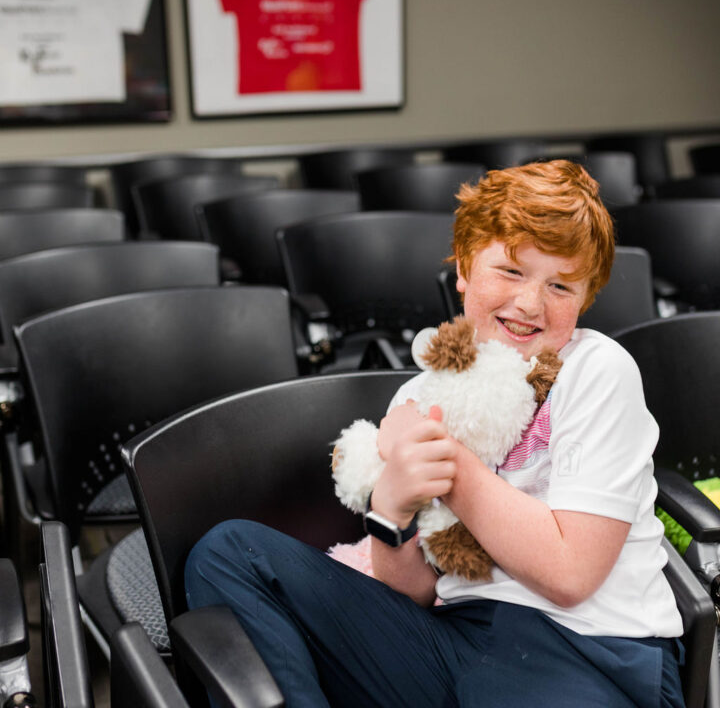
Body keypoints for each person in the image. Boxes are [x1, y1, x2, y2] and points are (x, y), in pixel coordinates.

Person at [184, 160, 685, 707]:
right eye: (512, 271)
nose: (529, 304)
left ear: (585, 299)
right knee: (229, 551)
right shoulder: (417, 399)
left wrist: (453, 468)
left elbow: (570, 574)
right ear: (464, 269)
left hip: (592, 651)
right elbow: (415, 593)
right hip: (456, 639)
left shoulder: (596, 368)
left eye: (561, 285)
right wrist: (391, 509)